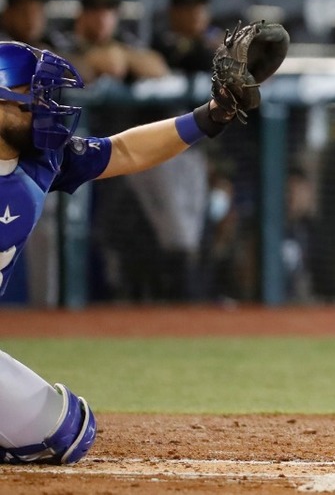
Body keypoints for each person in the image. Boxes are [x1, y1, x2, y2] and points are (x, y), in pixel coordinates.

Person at [0, 35, 262, 464]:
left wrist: (211, 116)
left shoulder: (42, 159)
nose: (48, 106)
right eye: (35, 94)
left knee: (68, 432)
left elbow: (123, 149)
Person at [1, 0, 67, 53]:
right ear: (7, 14)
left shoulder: (54, 44)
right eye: (24, 13)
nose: (31, 20)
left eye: (37, 12)